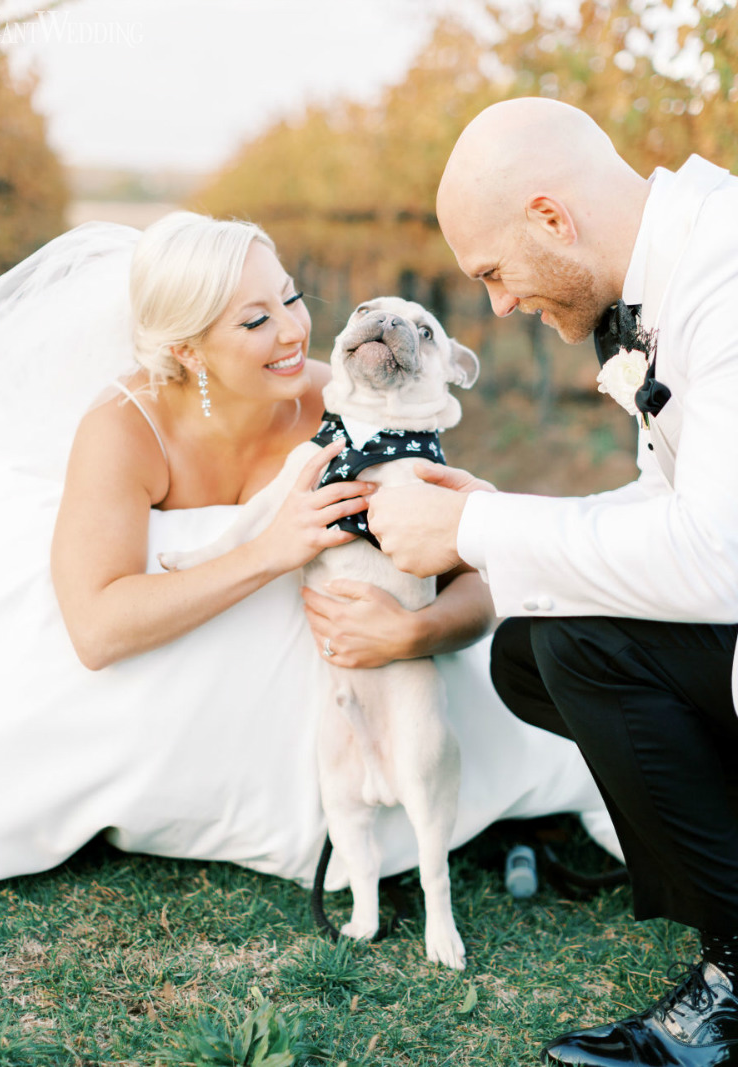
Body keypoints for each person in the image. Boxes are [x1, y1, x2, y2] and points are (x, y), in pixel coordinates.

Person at [0, 209, 616, 897]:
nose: (294, 329)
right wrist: (268, 552)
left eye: (290, 296)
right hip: (182, 697)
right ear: (189, 351)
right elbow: (95, 628)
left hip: (363, 676)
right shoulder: (123, 428)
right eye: (255, 320)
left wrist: (416, 630)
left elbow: (473, 563)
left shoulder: (346, 394)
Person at [367, 97, 738, 1065]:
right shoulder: (673, 266)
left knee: (570, 641)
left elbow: (717, 554)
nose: (493, 306)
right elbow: (667, 500)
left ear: (548, 218)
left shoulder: (726, 271)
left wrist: (474, 524)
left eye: (492, 272)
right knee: (528, 652)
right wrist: (488, 514)